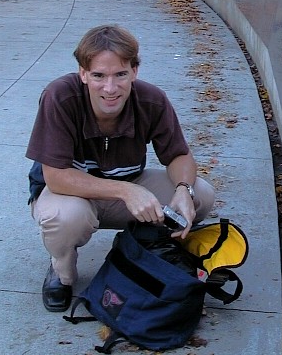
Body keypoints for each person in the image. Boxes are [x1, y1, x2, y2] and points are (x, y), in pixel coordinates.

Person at [26, 24, 216, 312]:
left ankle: (155, 247)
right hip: (70, 194)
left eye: (120, 75)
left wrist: (183, 190)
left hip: (126, 186)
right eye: (99, 76)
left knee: (202, 193)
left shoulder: (152, 100)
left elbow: (180, 156)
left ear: (135, 71)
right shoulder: (60, 97)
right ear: (83, 73)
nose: (110, 88)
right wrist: (126, 191)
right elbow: (55, 177)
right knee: (65, 218)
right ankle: (61, 271)